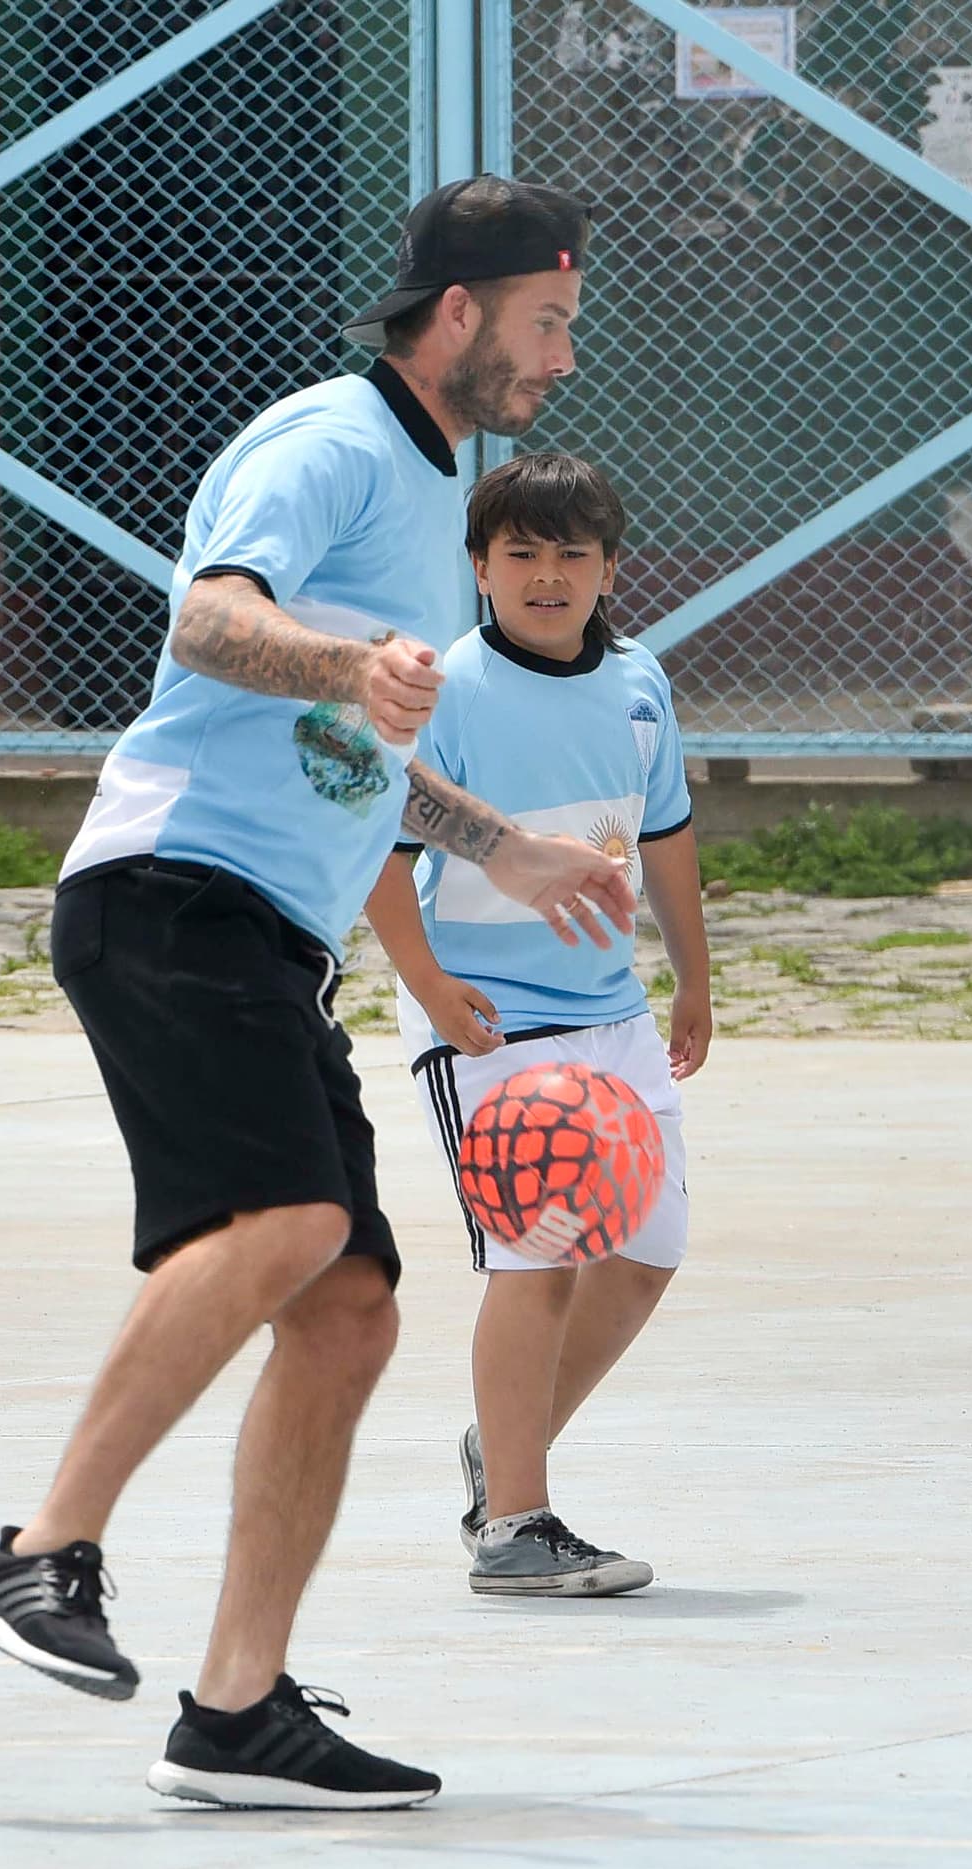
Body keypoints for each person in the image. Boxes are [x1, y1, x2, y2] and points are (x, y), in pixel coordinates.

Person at [0, 177, 639, 1810]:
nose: (559, 361)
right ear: (460, 312)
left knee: (348, 1305)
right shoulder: (329, 439)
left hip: (271, 936)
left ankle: (239, 1703)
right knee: (277, 1228)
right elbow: (209, 618)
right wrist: (348, 661)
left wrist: (500, 847)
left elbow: (358, 747)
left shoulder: (427, 480)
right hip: (171, 889)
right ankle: (39, 1552)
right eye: (549, 326)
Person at [365, 451, 711, 1599]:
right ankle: (515, 1522)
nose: (546, 574)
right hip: (493, 1024)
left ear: (611, 568)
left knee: (647, 1251)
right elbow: (380, 851)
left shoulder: (636, 685)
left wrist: (692, 978)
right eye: (519, 552)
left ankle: (497, 1450)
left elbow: (661, 837)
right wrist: (428, 990)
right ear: (477, 568)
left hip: (611, 1014)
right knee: (543, 1257)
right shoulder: (448, 690)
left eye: (572, 553)